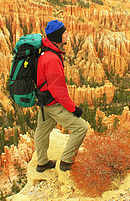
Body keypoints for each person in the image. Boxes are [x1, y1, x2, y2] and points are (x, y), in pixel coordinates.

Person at [35, 20, 88, 172]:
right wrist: (73, 109)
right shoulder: (51, 58)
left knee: (42, 131)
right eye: (64, 33)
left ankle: (42, 163)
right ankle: (66, 161)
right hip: (52, 103)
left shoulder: (46, 51)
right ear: (58, 37)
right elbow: (58, 89)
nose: (67, 35)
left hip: (44, 100)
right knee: (81, 127)